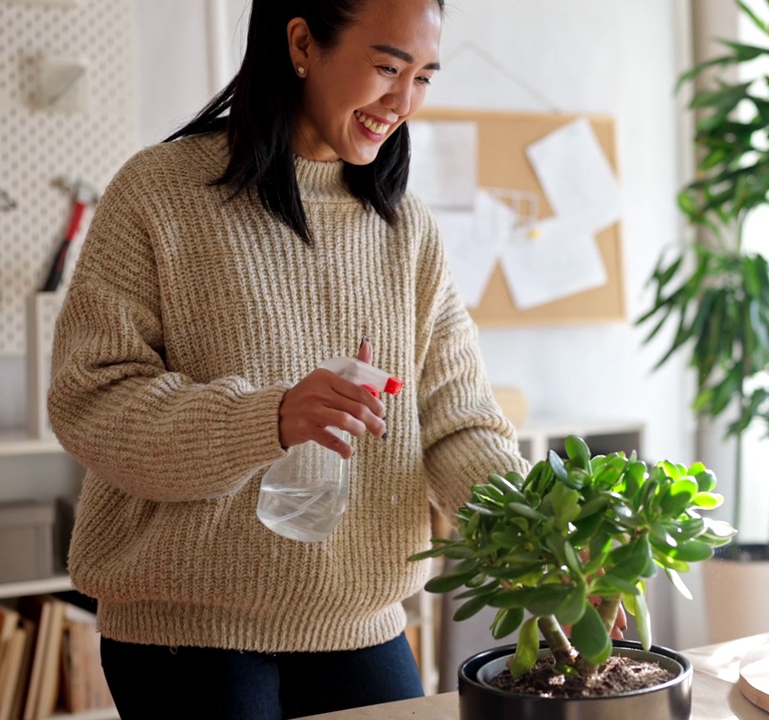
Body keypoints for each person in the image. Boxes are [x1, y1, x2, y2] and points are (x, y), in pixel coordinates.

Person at [46, 0, 529, 717]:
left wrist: (541, 545)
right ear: (302, 42)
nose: (404, 101)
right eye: (387, 67)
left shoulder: (406, 229)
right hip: (186, 628)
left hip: (357, 619)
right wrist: (265, 418)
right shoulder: (160, 193)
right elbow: (90, 400)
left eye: (424, 75)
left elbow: (457, 423)